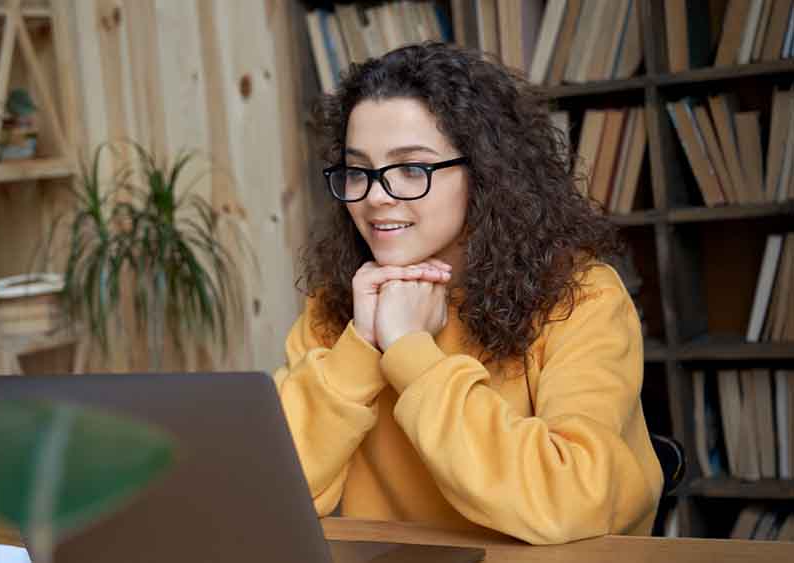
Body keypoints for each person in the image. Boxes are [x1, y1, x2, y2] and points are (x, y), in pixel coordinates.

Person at [273, 42, 663, 546]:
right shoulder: (338, 307)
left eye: (411, 168)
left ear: (484, 173)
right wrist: (361, 346)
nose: (374, 196)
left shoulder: (582, 298)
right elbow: (274, 492)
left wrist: (410, 351)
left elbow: (569, 499)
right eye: (358, 170)